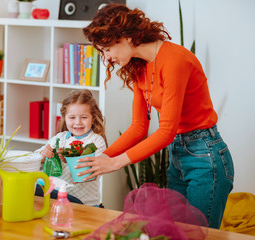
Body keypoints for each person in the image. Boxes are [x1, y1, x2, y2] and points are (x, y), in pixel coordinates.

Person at [79, 4, 234, 228]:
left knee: (199, 234)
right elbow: (139, 127)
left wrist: (116, 163)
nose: (107, 58)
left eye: (107, 49)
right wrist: (104, 157)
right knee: (176, 232)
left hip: (205, 155)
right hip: (178, 157)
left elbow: (166, 132)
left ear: (126, 37)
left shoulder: (174, 60)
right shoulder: (139, 67)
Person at [35, 89, 107, 206]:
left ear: (93, 118)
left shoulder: (96, 141)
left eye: (84, 117)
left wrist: (68, 159)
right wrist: (43, 155)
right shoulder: (60, 138)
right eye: (72, 117)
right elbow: (34, 161)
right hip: (57, 199)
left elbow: (89, 174)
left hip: (85, 203)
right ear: (64, 118)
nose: (78, 122)